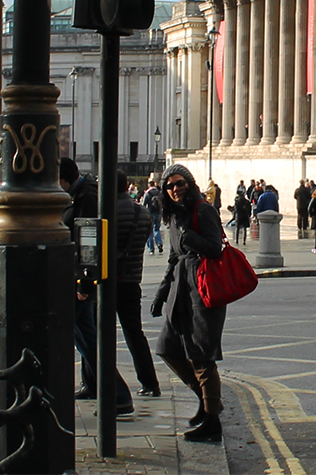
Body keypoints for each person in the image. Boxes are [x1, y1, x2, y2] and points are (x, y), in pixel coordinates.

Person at [151, 165, 228, 442]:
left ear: (190, 183)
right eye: (169, 185)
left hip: (204, 289)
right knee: (167, 348)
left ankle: (212, 421)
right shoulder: (172, 216)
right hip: (179, 289)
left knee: (201, 354)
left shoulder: (202, 210)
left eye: (180, 183)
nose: (175, 189)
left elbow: (215, 247)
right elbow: (173, 257)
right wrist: (161, 292)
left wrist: (188, 235)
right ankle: (207, 401)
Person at [59, 158, 135, 414]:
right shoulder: (79, 195)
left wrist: (86, 284)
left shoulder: (86, 198)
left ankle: (118, 395)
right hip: (74, 278)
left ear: (64, 179)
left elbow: (89, 245)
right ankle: (94, 385)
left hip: (80, 281)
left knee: (88, 341)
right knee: (86, 338)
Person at [114, 170, 162, 399]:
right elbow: (143, 240)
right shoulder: (141, 213)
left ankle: (96, 380)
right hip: (132, 280)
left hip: (106, 282)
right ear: (126, 187)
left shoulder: (104, 211)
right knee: (134, 334)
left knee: (97, 335)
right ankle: (150, 382)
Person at [142, 180, 164, 255]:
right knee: (157, 229)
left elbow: (143, 205)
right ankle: (159, 243)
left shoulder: (147, 193)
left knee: (150, 231)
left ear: (149, 185)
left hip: (150, 213)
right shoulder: (159, 193)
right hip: (158, 213)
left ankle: (151, 248)